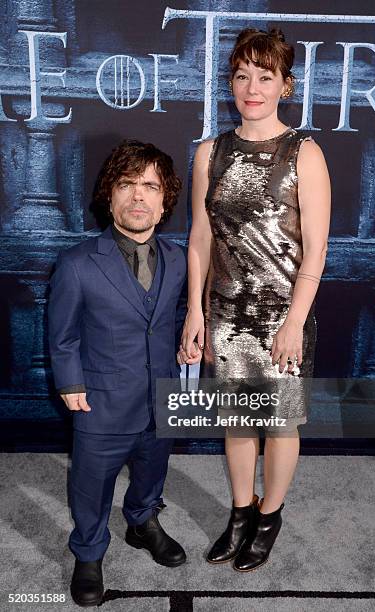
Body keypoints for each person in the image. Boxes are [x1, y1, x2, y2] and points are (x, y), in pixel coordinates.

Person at [179, 27, 331, 572]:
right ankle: (240, 514)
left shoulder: (304, 153)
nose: (252, 87)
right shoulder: (209, 152)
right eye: (242, 75)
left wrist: (295, 322)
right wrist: (195, 312)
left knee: (281, 423)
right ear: (231, 83)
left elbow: (316, 249)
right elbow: (200, 238)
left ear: (285, 85)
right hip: (225, 310)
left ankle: (269, 516)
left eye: (264, 77)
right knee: (238, 423)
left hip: (284, 314)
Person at [48, 140, 200, 607]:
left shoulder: (178, 260)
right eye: (127, 185)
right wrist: (71, 384)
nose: (139, 196)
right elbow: (63, 335)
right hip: (102, 400)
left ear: (164, 200)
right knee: (91, 484)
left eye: (150, 187)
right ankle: (89, 552)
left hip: (162, 397)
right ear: (109, 197)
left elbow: (175, 318)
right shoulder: (78, 264)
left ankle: (142, 521)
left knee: (153, 471)